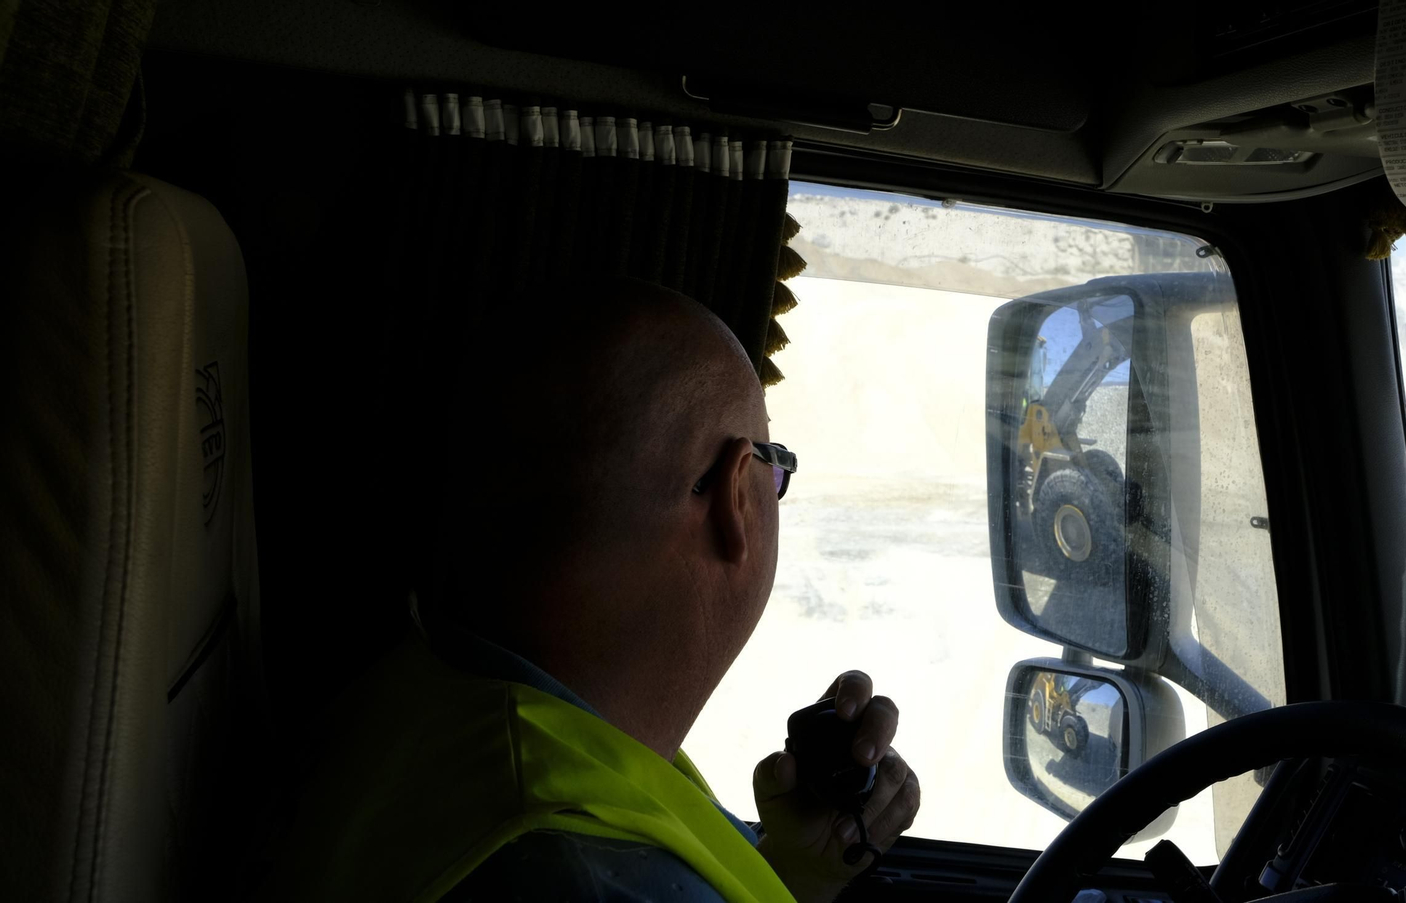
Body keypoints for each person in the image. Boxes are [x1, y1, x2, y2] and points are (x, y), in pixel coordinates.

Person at [257, 278, 920, 903]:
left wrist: (794, 870)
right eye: (777, 471)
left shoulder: (424, 695)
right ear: (734, 497)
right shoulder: (586, 874)